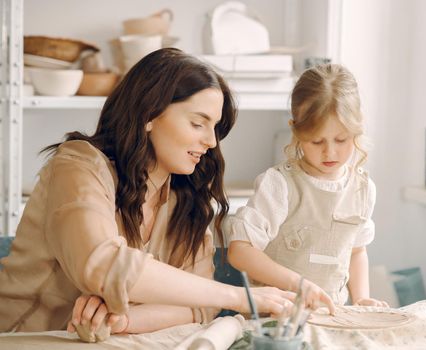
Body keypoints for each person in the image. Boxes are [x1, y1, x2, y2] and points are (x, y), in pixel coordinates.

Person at [0, 48, 294, 335]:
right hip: (19, 337)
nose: (211, 141)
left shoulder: (183, 197)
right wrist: (239, 297)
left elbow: (199, 308)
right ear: (148, 115)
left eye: (215, 127)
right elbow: (103, 264)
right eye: (197, 123)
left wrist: (122, 319)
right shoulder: (78, 166)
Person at [227, 63, 388, 311]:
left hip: (332, 317)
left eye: (341, 139)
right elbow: (240, 251)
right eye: (317, 141)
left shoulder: (363, 189)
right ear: (296, 130)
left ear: (357, 128)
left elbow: (357, 251)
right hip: (277, 319)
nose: (330, 151)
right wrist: (298, 284)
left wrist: (360, 299)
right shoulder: (280, 185)